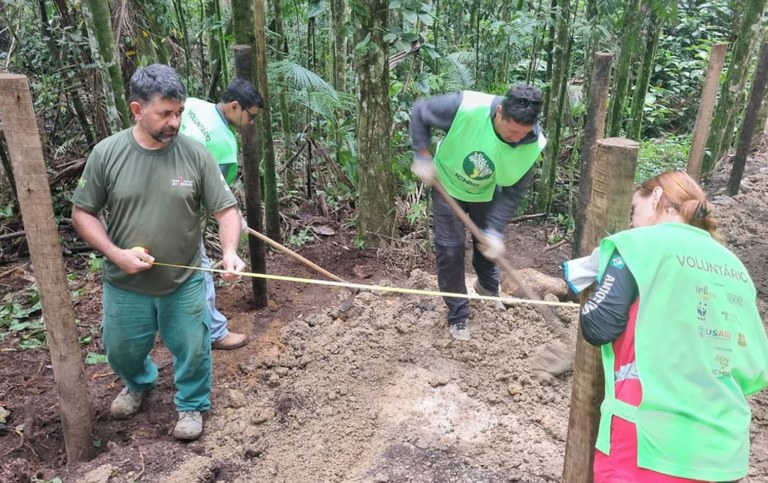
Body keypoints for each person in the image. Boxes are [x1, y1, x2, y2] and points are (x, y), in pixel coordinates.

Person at [71, 64, 245, 441]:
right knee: (121, 349)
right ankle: (138, 382)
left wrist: (230, 251)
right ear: (137, 110)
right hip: (125, 281)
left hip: (182, 280)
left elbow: (226, 210)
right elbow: (82, 213)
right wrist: (115, 253)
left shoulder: (196, 155)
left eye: (179, 112)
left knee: (193, 348)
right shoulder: (107, 154)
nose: (175, 122)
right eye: (165, 113)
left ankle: (192, 404)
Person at [580, 170, 768, 482]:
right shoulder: (734, 266)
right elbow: (755, 367)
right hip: (723, 448)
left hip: (651, 444)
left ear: (655, 199)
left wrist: (606, 274)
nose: (632, 222)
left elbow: (597, 325)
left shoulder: (639, 244)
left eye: (633, 210)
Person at [409, 84, 547, 341]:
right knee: (450, 249)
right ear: (498, 113)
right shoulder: (466, 107)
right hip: (447, 183)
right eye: (513, 131)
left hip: (486, 189)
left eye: (523, 133)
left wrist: (494, 230)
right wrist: (423, 154)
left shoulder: (531, 142)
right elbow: (420, 111)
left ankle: (488, 288)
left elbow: (514, 190)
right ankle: (458, 315)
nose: (517, 139)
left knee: (486, 245)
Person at [179, 79, 264, 350]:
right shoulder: (226, 145)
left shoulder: (191, 104)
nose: (251, 123)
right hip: (183, 210)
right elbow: (218, 197)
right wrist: (234, 221)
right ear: (235, 106)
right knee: (200, 270)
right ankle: (215, 332)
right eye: (250, 116)